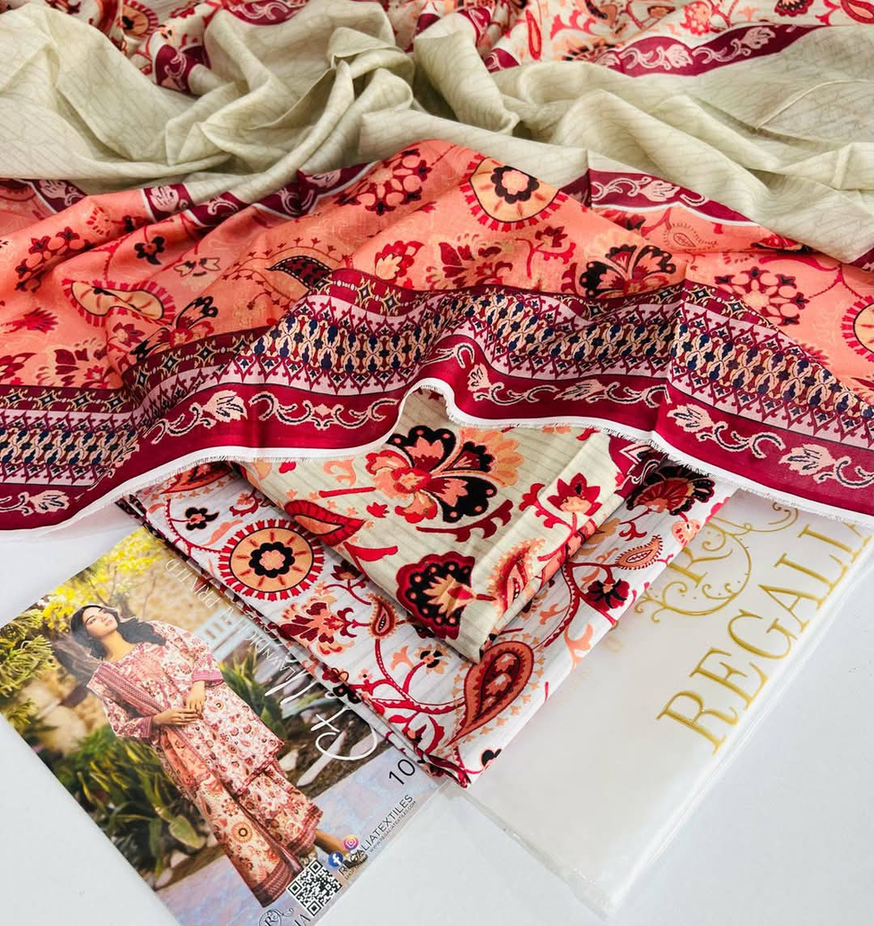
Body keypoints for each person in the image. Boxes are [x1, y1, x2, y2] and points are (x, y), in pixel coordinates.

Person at [70, 604, 362, 906]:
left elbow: (199, 650)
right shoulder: (106, 679)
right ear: (86, 635)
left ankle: (324, 853)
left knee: (264, 794)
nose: (103, 616)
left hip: (222, 723)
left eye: (102, 611)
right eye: (92, 619)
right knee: (232, 813)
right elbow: (122, 725)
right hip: (184, 750)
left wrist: (198, 687)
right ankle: (326, 854)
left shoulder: (153, 630)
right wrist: (159, 719)